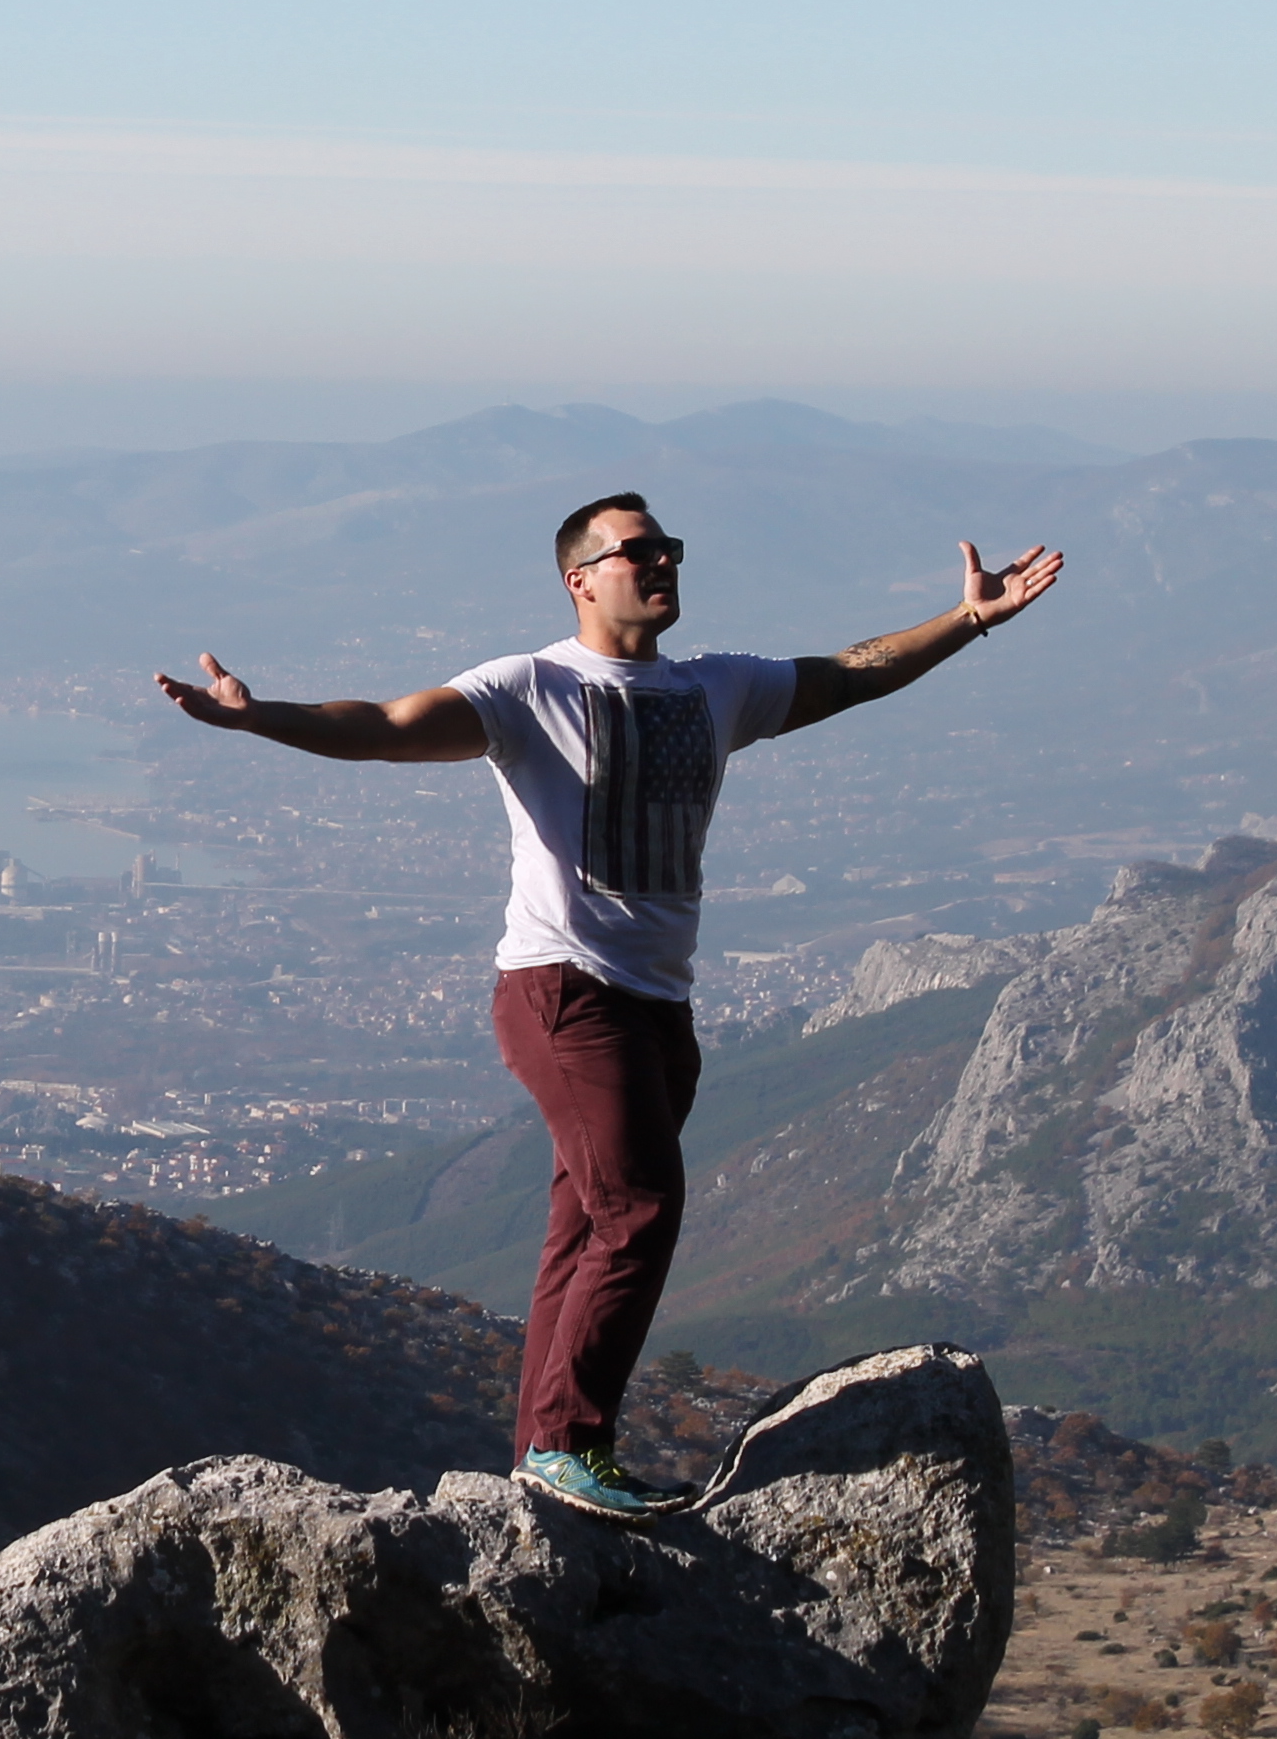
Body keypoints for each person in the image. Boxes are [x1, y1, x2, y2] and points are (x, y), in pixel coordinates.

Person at [155, 491, 1063, 1520]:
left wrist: (971, 619)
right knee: (639, 1210)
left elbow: (853, 672)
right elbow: (387, 728)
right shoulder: (530, 687)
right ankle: (567, 1444)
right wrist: (258, 716)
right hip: (564, 990)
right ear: (580, 577)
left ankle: (540, 1456)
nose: (662, 561)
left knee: (585, 1223)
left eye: (668, 546)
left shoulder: (713, 687)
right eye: (637, 550)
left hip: (658, 1004)